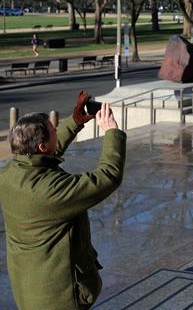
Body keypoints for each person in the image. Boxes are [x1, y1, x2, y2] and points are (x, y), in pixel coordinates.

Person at [0, 92, 126, 310]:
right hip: (60, 294)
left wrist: (75, 122)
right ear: (41, 146)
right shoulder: (50, 190)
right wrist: (112, 132)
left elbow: (45, 154)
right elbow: (108, 177)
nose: (56, 132)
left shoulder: (10, 173)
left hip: (28, 285)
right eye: (53, 131)